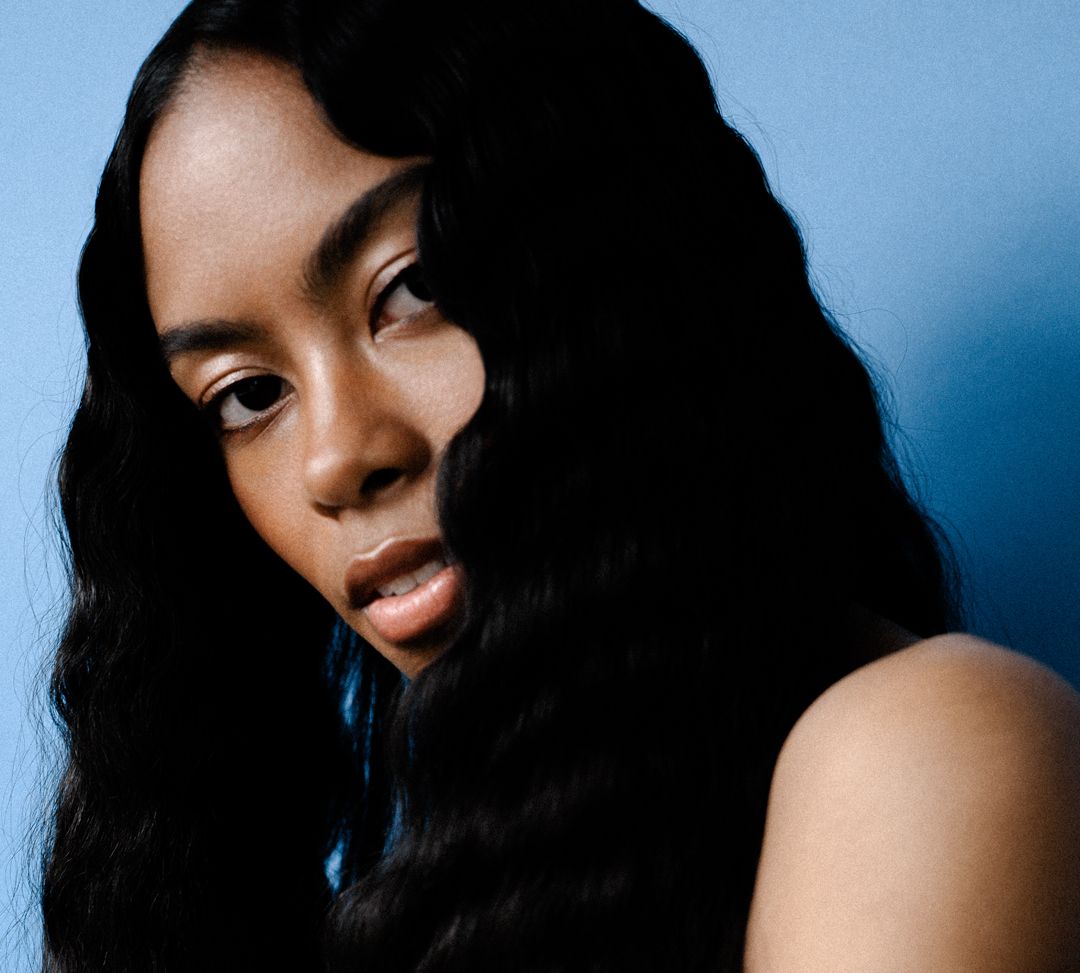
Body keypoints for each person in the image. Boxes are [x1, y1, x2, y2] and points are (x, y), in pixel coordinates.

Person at [41, 0, 1080, 970]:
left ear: (628, 265)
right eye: (248, 395)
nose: (336, 458)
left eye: (415, 287)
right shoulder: (467, 889)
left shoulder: (925, 744)